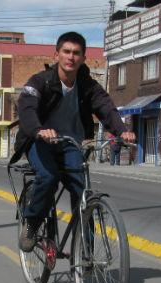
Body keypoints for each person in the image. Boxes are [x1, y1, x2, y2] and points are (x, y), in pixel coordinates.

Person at [12, 31, 136, 252]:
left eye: (76, 53)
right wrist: (39, 130)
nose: (71, 57)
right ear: (57, 54)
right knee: (49, 177)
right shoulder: (40, 81)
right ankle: (31, 223)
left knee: (83, 195)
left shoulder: (87, 85)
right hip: (38, 141)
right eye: (66, 52)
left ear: (83, 58)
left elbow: (106, 107)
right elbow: (27, 108)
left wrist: (121, 131)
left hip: (70, 144)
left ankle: (85, 253)